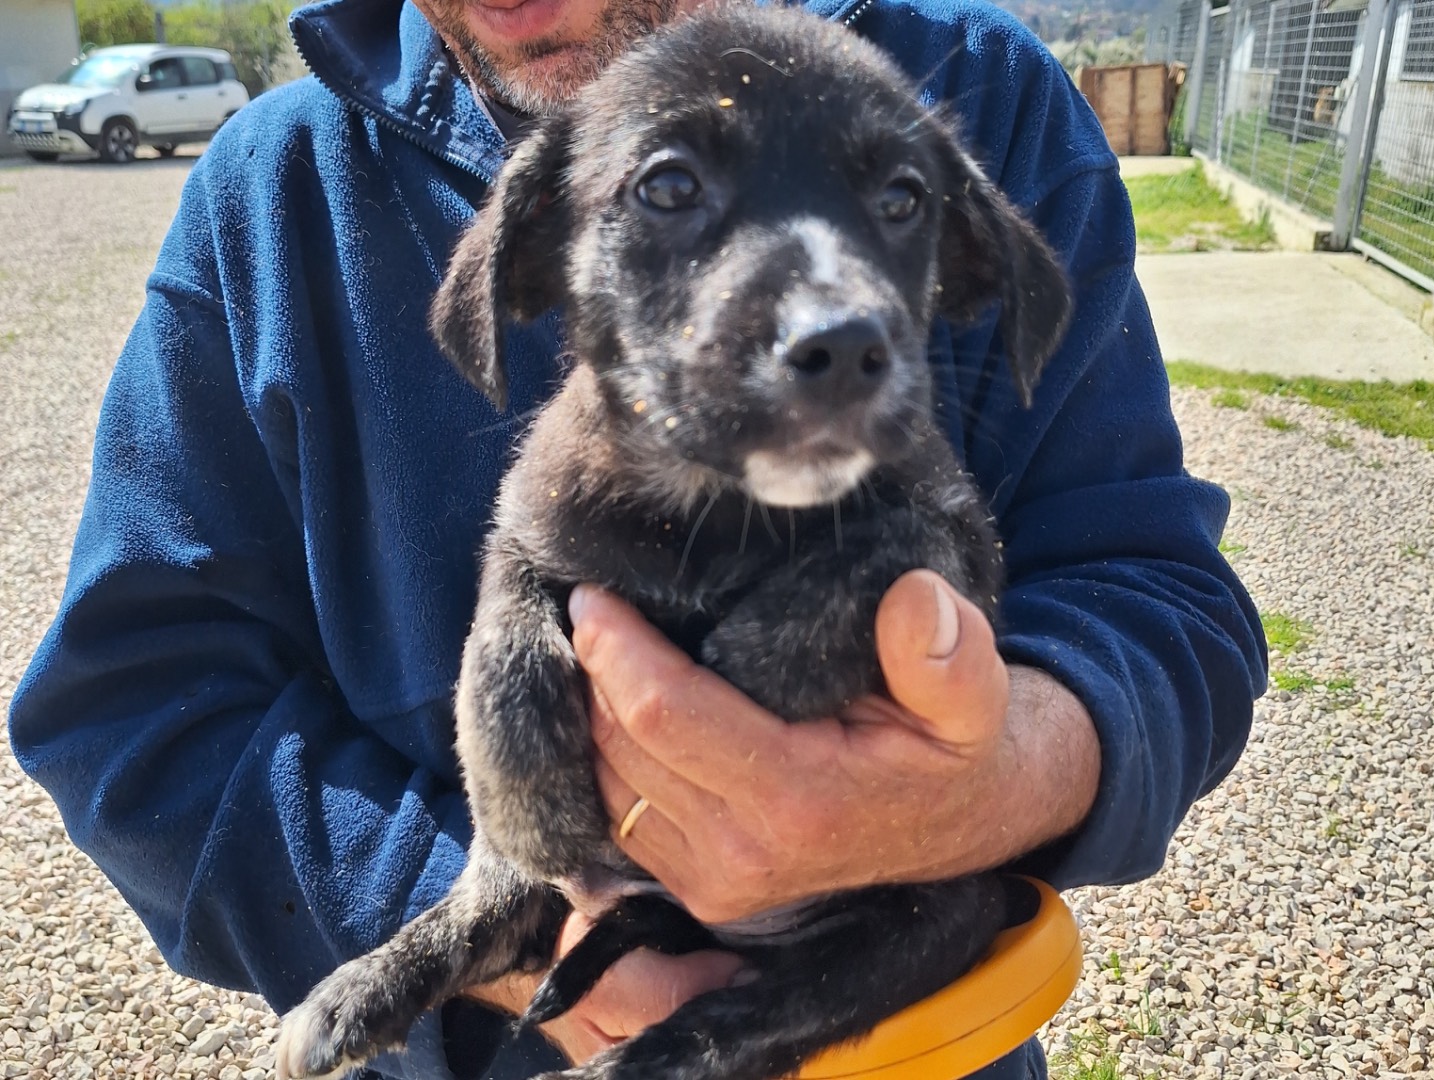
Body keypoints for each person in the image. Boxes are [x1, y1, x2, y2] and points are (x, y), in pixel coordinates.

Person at [7, 0, 1268, 1074]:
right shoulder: (274, 195)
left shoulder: (973, 88)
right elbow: (135, 710)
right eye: (669, 190)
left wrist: (988, 782)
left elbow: (1158, 593)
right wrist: (510, 924)